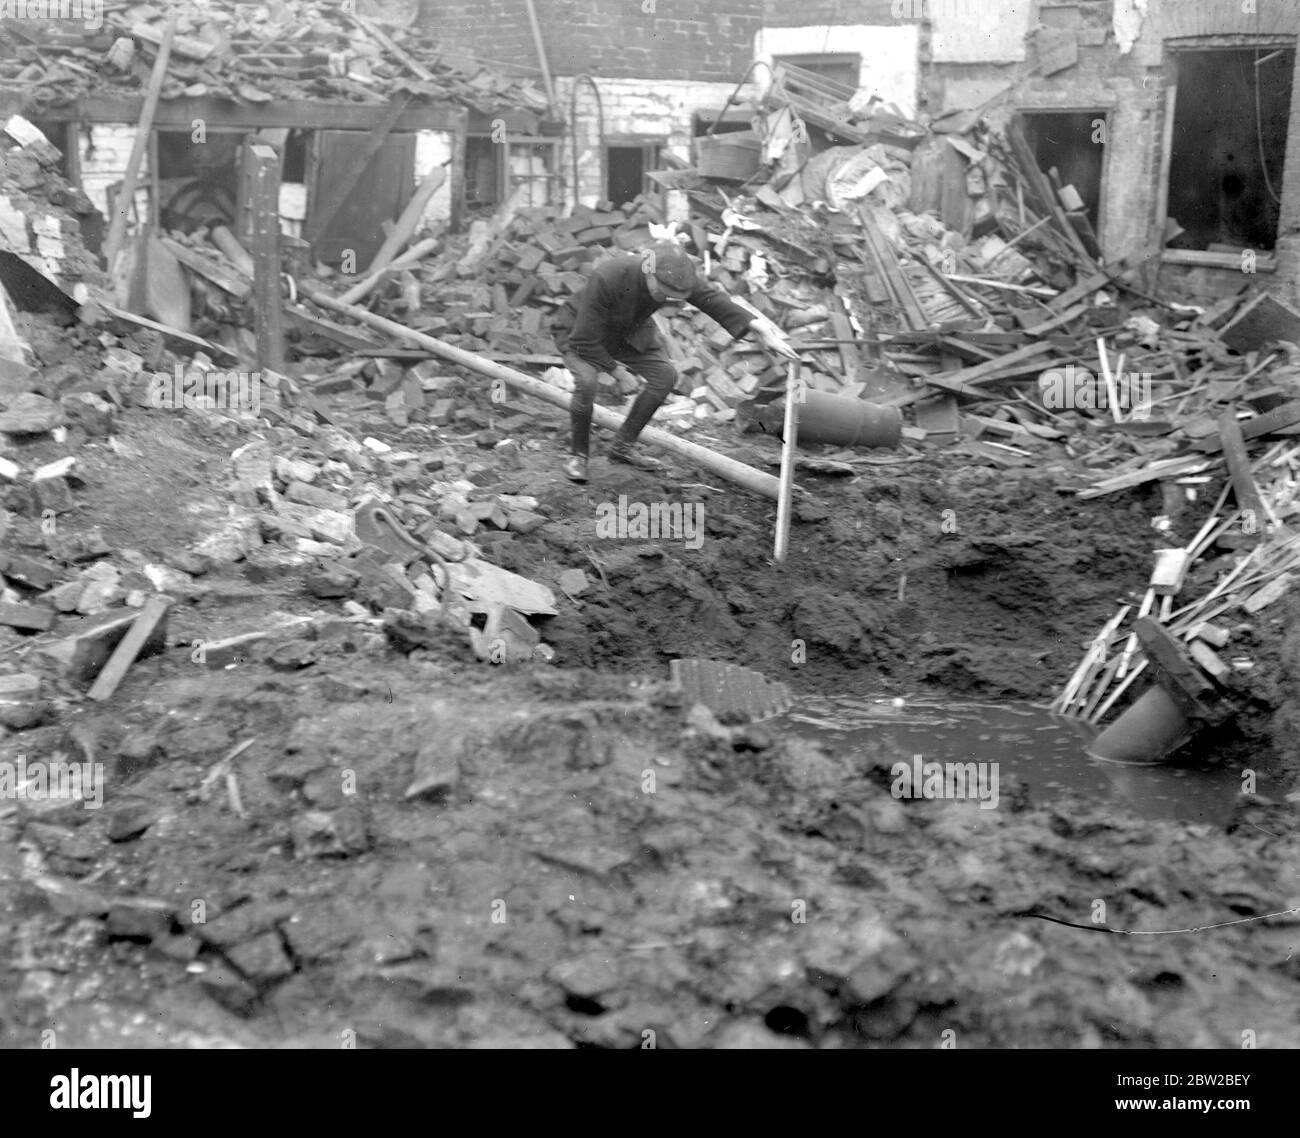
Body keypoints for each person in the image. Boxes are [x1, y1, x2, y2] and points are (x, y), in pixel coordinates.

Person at [550, 240, 797, 482]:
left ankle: (622, 447)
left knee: (665, 376)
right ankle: (578, 456)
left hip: (626, 332)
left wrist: (759, 328)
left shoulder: (676, 274)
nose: (662, 297)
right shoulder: (609, 275)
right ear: (648, 268)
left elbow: (712, 299)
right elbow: (584, 339)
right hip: (579, 332)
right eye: (661, 290)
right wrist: (619, 373)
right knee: (587, 381)